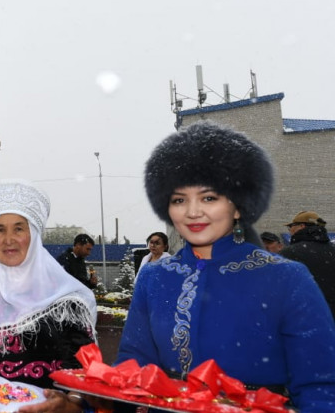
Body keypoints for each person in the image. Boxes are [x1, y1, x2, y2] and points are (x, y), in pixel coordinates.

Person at [116, 121, 335, 411]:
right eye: (179, 199)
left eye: (209, 197)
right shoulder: (155, 277)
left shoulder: (286, 278)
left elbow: (320, 384)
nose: (193, 211)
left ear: (238, 205)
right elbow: (132, 363)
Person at [0, 180, 97, 413]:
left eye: (18, 228)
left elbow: (85, 376)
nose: (8, 239)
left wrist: (71, 403)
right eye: (0, 229)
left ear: (34, 235)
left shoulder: (67, 304)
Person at [280, 211, 335, 317]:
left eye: (291, 226)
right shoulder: (332, 250)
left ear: (301, 226)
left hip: (305, 316)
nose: (290, 230)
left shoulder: (291, 252)